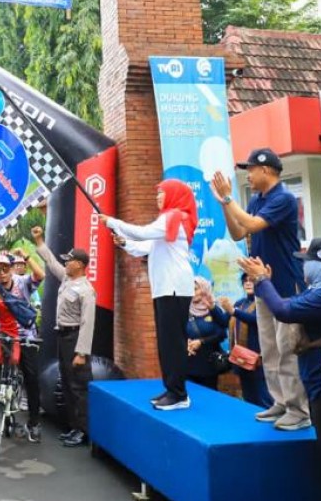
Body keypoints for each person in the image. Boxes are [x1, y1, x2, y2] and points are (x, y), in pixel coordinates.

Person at [241, 239, 321, 501]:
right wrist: (265, 284)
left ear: (320, 266)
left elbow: (284, 311)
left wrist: (262, 281)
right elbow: (287, 303)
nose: (303, 268)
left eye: (307, 262)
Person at [211, 148, 310, 430]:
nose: (249, 176)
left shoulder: (284, 198)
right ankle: (280, 401)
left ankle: (299, 411)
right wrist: (223, 204)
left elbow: (253, 224)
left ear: (266, 170)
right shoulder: (257, 199)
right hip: (262, 283)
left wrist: (229, 198)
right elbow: (239, 232)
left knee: (287, 347)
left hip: (284, 284)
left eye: (251, 169)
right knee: (269, 347)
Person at [106, 179, 198, 411]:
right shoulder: (169, 221)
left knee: (173, 343)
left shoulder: (174, 216)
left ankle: (179, 394)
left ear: (174, 195)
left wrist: (113, 221)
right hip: (166, 288)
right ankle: (171, 389)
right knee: (166, 343)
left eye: (161, 193)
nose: (157, 197)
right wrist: (124, 242)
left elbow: (143, 232)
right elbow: (144, 246)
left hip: (174, 287)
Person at [32, 227, 96, 447]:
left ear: (79, 264)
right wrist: (39, 241)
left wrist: (81, 353)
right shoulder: (67, 279)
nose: (66, 263)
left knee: (79, 387)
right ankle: (73, 427)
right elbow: (51, 262)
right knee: (67, 384)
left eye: (69, 260)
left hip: (75, 338)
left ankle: (84, 431)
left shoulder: (86, 290)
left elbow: (88, 323)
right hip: (63, 337)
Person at [0, 252, 45, 441]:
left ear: (12, 269)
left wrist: (28, 257)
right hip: (5, 336)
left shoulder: (23, 283)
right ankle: (2, 406)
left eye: (5, 268)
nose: (2, 273)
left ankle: (34, 423)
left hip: (26, 337)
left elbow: (40, 275)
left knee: (32, 379)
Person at [219, 275, 273, 408]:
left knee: (263, 397)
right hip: (241, 358)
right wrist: (212, 307)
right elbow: (223, 321)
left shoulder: (265, 302)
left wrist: (233, 311)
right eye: (245, 281)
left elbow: (255, 320)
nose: (248, 283)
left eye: (252, 281)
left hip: (259, 358)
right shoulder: (240, 303)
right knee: (248, 397)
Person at [184, 277, 228, 391]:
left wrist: (201, 342)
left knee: (208, 396)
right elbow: (177, 332)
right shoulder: (184, 309)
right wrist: (185, 343)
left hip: (209, 363)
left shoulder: (213, 309)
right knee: (190, 394)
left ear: (204, 289)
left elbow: (222, 334)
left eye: (196, 289)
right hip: (189, 362)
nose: (193, 292)